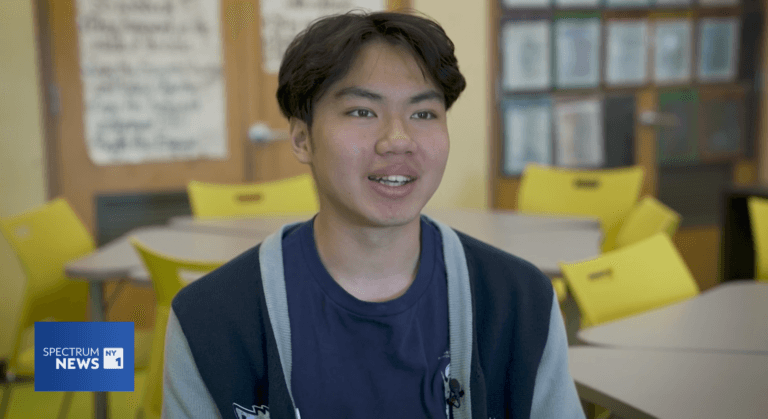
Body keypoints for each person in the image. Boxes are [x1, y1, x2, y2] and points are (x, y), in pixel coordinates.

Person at [163, 10, 585, 419]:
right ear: (301, 139)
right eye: (362, 112)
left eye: (423, 113)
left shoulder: (519, 303)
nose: (397, 140)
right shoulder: (210, 321)